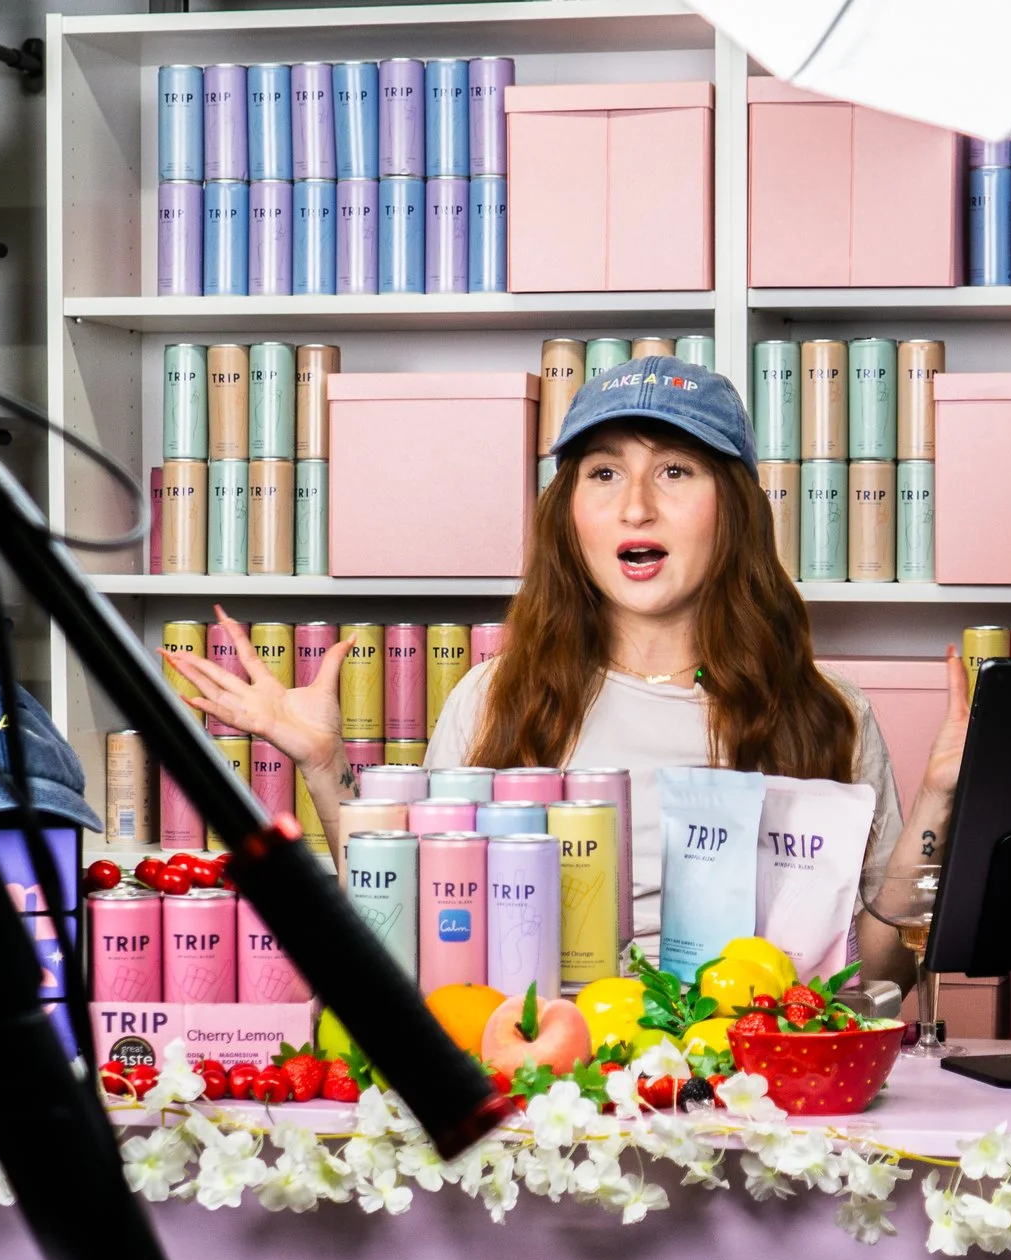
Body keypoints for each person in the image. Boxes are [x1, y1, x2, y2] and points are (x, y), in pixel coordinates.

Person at [161, 357, 968, 990]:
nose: (636, 507)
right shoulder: (494, 699)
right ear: (570, 514)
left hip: (755, 1087)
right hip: (549, 1086)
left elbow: (880, 975)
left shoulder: (826, 711)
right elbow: (409, 925)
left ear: (735, 508)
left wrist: (938, 796)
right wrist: (325, 766)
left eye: (677, 471)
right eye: (604, 473)